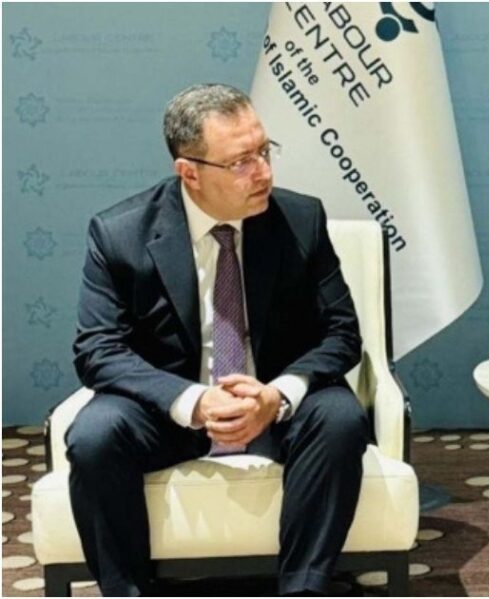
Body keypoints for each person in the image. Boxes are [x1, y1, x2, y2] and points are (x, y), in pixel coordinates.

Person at [68, 83, 369, 596]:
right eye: (241, 162)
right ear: (189, 172)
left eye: (265, 152)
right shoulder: (120, 234)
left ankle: (304, 588)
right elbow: (97, 348)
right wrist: (193, 401)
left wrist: (277, 395)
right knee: (94, 434)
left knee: (340, 417)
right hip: (169, 412)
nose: (264, 172)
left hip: (272, 404)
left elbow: (341, 333)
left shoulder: (300, 221)